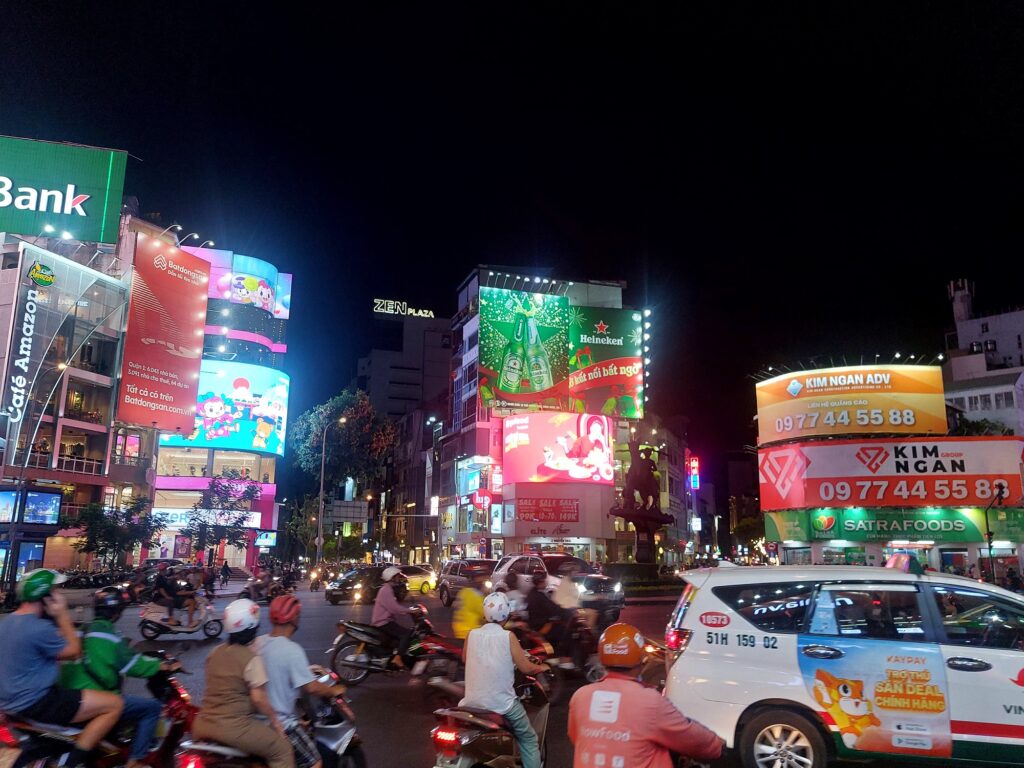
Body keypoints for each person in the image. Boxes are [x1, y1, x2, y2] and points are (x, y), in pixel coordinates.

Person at [0, 570, 124, 768]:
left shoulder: (7, 622)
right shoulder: (38, 628)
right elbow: (75, 650)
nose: (60, 595)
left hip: (11, 702)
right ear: (46, 596)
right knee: (114, 704)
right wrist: (63, 614)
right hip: (38, 702)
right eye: (56, 591)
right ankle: (72, 763)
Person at [569, 623, 724, 768]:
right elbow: (691, 738)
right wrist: (717, 745)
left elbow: (576, 737)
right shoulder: (649, 701)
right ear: (642, 659)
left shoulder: (580, 697)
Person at [60, 587, 180, 768]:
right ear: (117, 612)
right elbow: (133, 665)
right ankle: (136, 761)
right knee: (152, 708)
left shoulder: (81, 629)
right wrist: (162, 665)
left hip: (69, 696)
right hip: (94, 697)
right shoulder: (109, 634)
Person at [192, 599, 294, 768]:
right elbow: (259, 699)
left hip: (202, 724)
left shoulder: (215, 652)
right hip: (233, 728)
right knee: (282, 750)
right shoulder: (251, 659)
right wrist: (276, 721)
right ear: (253, 627)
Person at [256, 596, 348, 768]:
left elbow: (275, 667)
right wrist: (334, 691)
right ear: (294, 618)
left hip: (256, 721)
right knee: (315, 762)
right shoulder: (292, 650)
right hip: (281, 724)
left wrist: (306, 669)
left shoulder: (259, 642)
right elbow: (312, 687)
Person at [461, 592, 548, 768]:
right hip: (501, 704)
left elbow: (465, 659)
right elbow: (526, 667)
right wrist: (542, 668)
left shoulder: (471, 634)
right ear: (506, 615)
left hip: (470, 703)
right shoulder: (508, 637)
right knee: (529, 738)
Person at [370, 566, 414, 667]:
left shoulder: (387, 589)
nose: (398, 578)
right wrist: (410, 611)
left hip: (384, 621)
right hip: (383, 623)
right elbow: (394, 608)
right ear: (392, 577)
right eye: (397, 576)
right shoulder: (386, 590)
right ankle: (397, 658)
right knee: (406, 634)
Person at [525, 570, 569, 659]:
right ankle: (562, 658)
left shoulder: (532, 593)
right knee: (565, 631)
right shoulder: (539, 596)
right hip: (541, 626)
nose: (546, 582)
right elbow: (553, 609)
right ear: (541, 582)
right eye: (545, 580)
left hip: (536, 624)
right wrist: (565, 609)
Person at [452, 566, 489, 639]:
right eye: (484, 580)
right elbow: (488, 616)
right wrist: (511, 624)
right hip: (470, 633)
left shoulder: (464, 592)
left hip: (460, 631)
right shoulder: (475, 595)